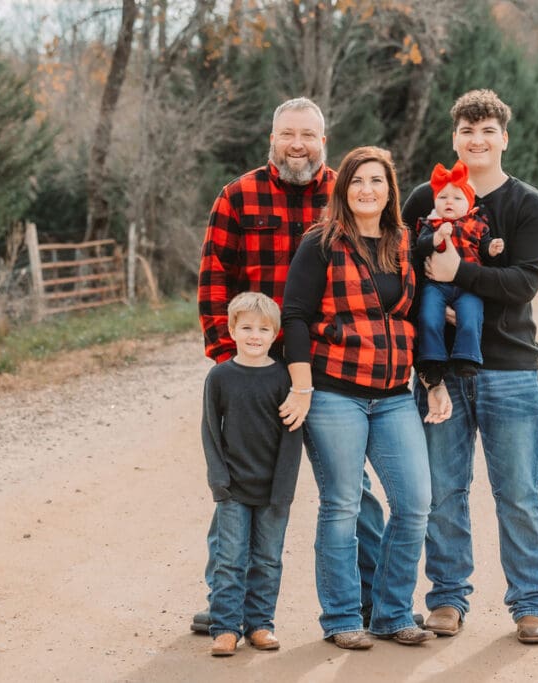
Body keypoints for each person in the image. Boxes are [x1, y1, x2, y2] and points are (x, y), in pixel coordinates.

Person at [194, 97, 386, 634]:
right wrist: (228, 363)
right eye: (287, 134)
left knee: (353, 488)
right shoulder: (238, 197)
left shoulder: (344, 196)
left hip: (327, 371)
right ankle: (225, 606)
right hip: (255, 371)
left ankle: (375, 601)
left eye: (307, 134)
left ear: (325, 141)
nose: (296, 143)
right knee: (238, 490)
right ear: (271, 138)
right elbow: (214, 281)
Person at [280, 146, 452, 649]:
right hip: (335, 393)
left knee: (416, 502)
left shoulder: (403, 243)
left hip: (395, 394)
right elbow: (294, 315)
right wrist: (302, 385)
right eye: (357, 181)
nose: (366, 190)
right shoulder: (321, 243)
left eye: (376, 181)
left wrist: (432, 379)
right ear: (343, 189)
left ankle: (393, 612)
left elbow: (417, 319)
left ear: (390, 190)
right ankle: (341, 618)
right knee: (341, 505)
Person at [402, 89, 538, 644]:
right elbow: (404, 269)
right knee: (442, 490)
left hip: (509, 368)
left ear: (503, 139)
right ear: (455, 139)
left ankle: (531, 605)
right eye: (468, 130)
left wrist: (459, 274)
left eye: (488, 130)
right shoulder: (425, 197)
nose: (477, 139)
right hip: (440, 371)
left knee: (517, 492)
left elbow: (523, 284)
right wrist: (430, 297)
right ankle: (446, 599)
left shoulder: (526, 204)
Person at [202, 292, 303, 656]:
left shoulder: (282, 378)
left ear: (275, 334)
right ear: (231, 330)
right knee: (230, 559)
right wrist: (219, 481)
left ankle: (260, 624)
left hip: (274, 489)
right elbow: (211, 431)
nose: (254, 335)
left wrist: (285, 487)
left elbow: (292, 438)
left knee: (267, 558)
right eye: (246, 327)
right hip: (234, 489)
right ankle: (226, 627)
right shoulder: (220, 378)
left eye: (263, 329)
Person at [414, 160, 504, 386]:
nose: (449, 202)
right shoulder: (431, 223)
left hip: (467, 286)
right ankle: (432, 360)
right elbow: (419, 247)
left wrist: (491, 248)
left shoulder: (477, 224)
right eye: (443, 198)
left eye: (457, 198)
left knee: (471, 316)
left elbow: (482, 247)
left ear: (469, 203)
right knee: (429, 317)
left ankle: (467, 358)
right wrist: (435, 238)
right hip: (435, 285)